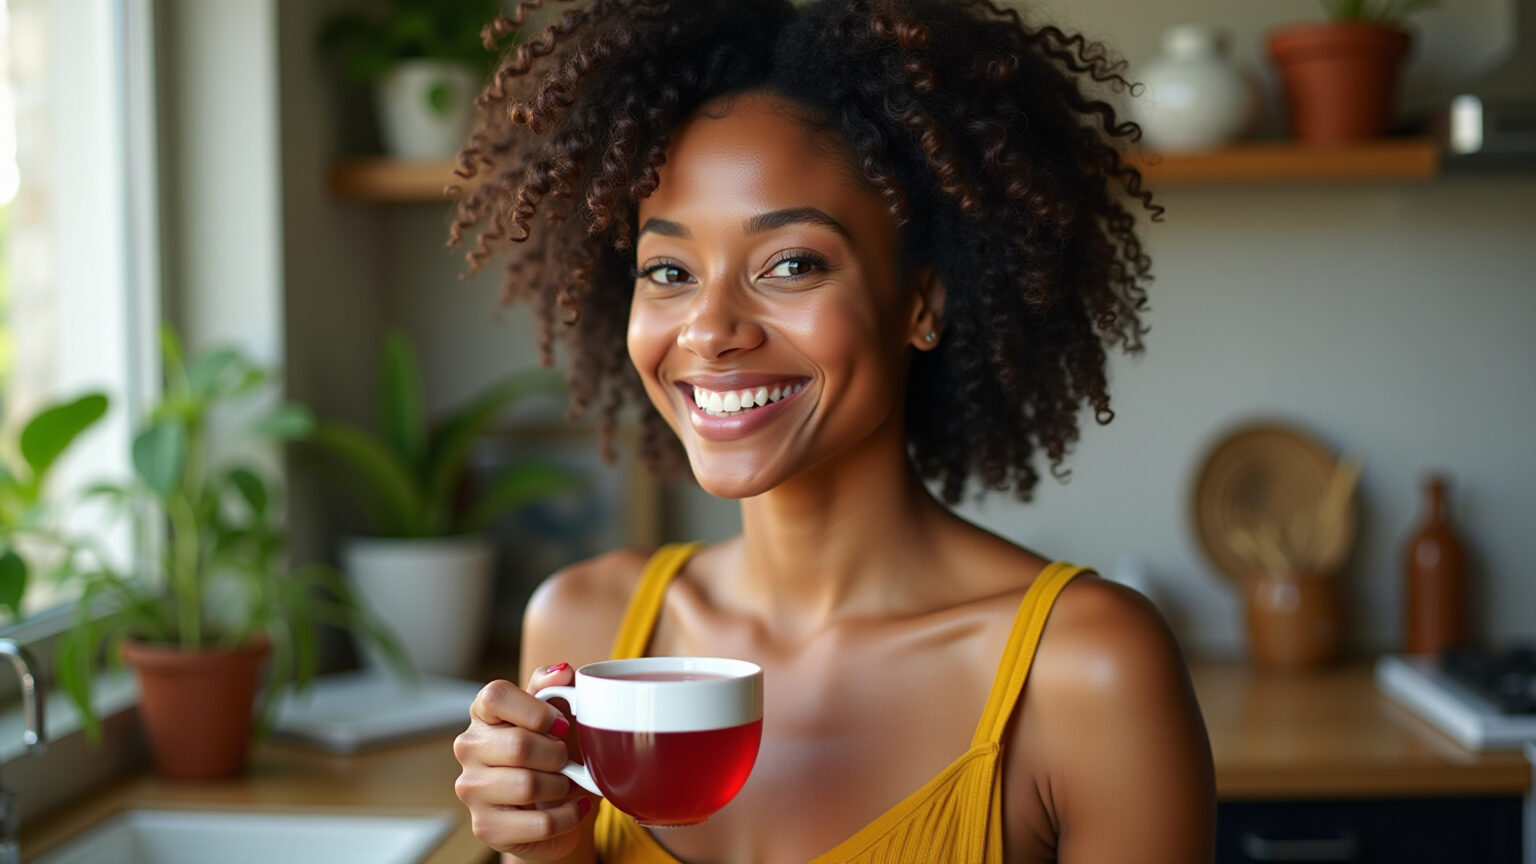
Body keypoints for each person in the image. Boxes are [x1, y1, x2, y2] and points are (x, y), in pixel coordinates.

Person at [449, 0, 1216, 862]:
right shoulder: (583, 629)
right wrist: (543, 852)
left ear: (920, 303)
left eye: (791, 264)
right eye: (668, 270)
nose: (708, 329)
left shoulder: (1086, 669)